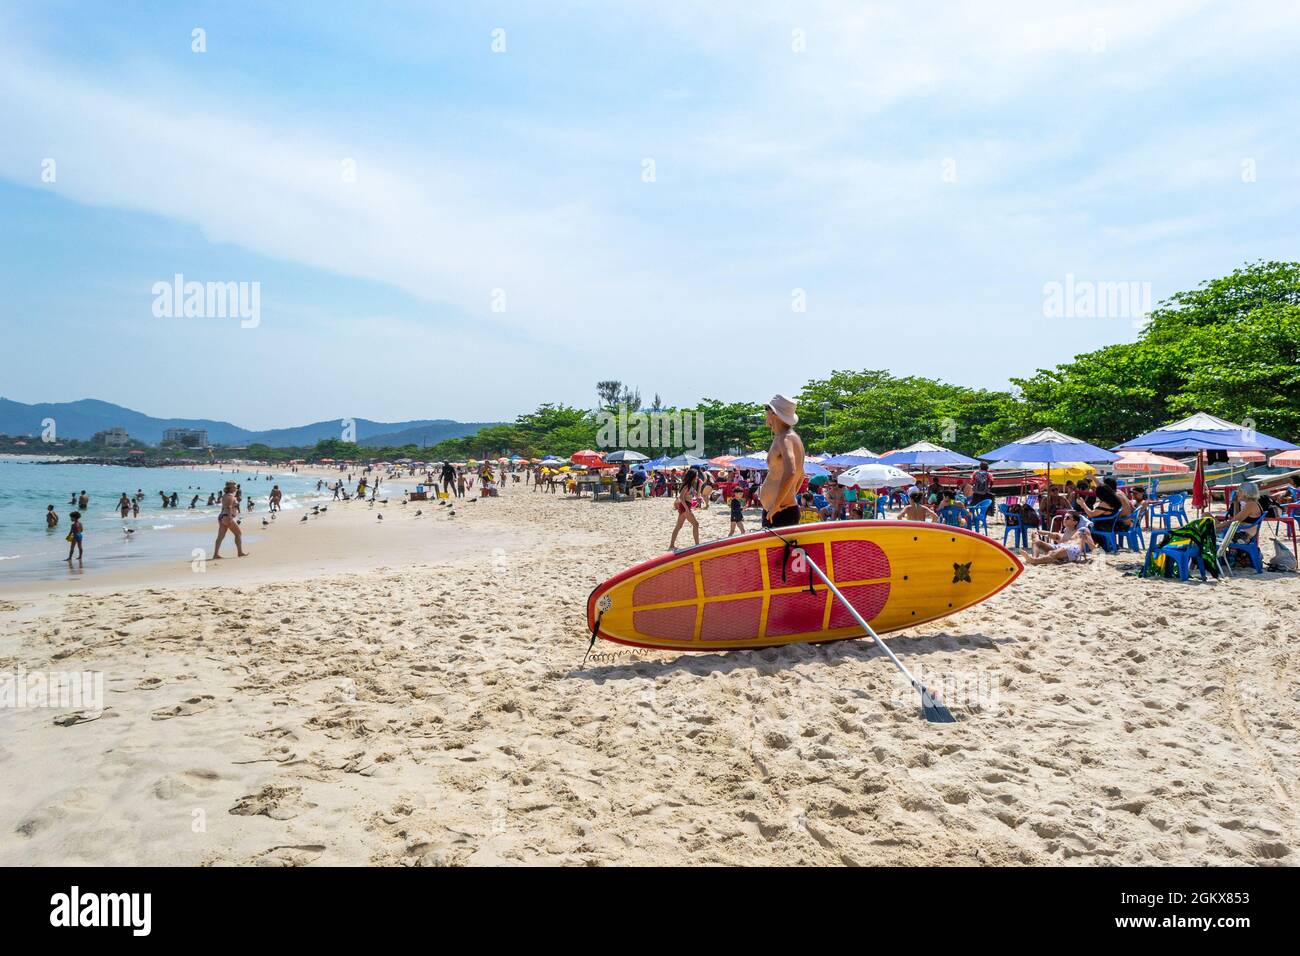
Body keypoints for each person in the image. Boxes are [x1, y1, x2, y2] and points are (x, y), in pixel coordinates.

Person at [757, 394, 805, 528]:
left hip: (779, 512)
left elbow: (792, 472)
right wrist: (788, 497)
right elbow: (801, 474)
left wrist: (777, 504)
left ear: (773, 413)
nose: (765, 413)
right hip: (781, 509)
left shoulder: (785, 439)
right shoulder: (793, 438)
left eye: (767, 410)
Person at [1022, 511, 1092, 565]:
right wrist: (1037, 532)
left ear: (1075, 522)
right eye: (1064, 517)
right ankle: (1034, 558)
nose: (1064, 519)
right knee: (1036, 542)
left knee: (1052, 552)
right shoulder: (1065, 533)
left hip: (1072, 549)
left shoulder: (1082, 530)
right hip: (1060, 547)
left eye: (1067, 518)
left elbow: (1092, 547)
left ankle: (1035, 561)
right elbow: (1052, 534)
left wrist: (1088, 541)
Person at [212, 481, 248, 559]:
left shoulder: (225, 496)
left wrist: (222, 517)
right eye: (234, 486)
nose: (236, 487)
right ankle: (240, 552)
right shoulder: (231, 496)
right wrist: (230, 518)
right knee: (238, 534)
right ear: (230, 487)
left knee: (220, 536)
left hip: (222, 516)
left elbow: (223, 507)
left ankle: (216, 554)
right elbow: (229, 507)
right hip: (227, 516)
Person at [669, 468, 701, 550]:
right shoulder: (687, 486)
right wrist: (687, 509)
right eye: (696, 475)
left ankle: (671, 545)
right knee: (696, 524)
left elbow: (695, 495)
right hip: (685, 506)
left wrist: (698, 495)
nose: (697, 476)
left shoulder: (692, 485)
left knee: (678, 526)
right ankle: (697, 545)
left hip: (685, 506)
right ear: (693, 476)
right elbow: (681, 497)